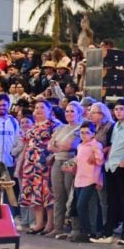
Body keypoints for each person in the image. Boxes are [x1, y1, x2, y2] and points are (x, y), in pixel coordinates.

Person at [93, 98, 124, 245]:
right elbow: (113, 144)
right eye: (116, 109)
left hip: (123, 167)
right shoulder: (116, 126)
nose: (118, 112)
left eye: (121, 109)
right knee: (112, 201)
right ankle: (108, 233)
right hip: (111, 166)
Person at [20, 99, 58, 234]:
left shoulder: (55, 125)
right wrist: (21, 164)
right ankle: (38, 223)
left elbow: (57, 145)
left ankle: (50, 224)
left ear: (49, 110)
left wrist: (51, 157)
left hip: (45, 164)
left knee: (47, 193)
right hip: (30, 164)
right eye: (36, 108)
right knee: (34, 194)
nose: (39, 110)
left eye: (42, 107)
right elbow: (26, 145)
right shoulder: (32, 126)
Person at [47, 101, 82, 238]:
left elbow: (70, 146)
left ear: (79, 113)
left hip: (70, 161)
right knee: (58, 195)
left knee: (71, 195)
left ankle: (75, 228)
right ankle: (58, 227)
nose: (68, 114)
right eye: (67, 111)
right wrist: (58, 146)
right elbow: (50, 146)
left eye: (72, 111)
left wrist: (58, 145)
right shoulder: (61, 128)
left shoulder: (80, 128)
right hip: (57, 161)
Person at [69, 121, 104, 243]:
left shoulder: (95, 145)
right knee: (81, 206)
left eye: (87, 133)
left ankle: (88, 231)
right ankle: (85, 230)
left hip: (90, 179)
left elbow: (100, 161)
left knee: (82, 205)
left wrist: (96, 154)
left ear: (93, 134)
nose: (84, 135)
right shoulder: (80, 146)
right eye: (82, 133)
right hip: (79, 178)